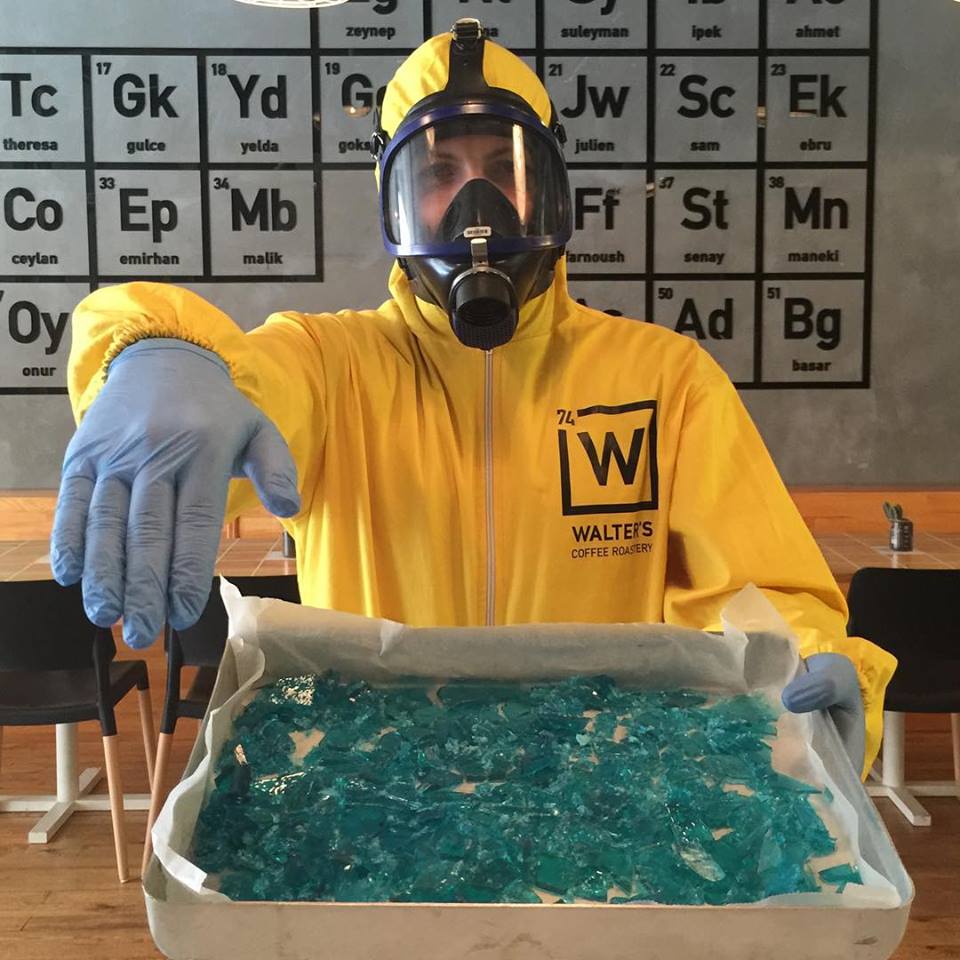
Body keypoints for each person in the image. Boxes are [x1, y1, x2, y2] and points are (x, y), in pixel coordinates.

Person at [51, 20, 894, 779]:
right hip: (385, 792)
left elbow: (754, 587)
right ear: (392, 198)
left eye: (504, 168)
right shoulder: (331, 366)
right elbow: (249, 381)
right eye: (440, 172)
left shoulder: (663, 380)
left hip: (592, 789)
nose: (476, 204)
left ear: (551, 189)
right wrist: (159, 353)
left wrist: (814, 658)